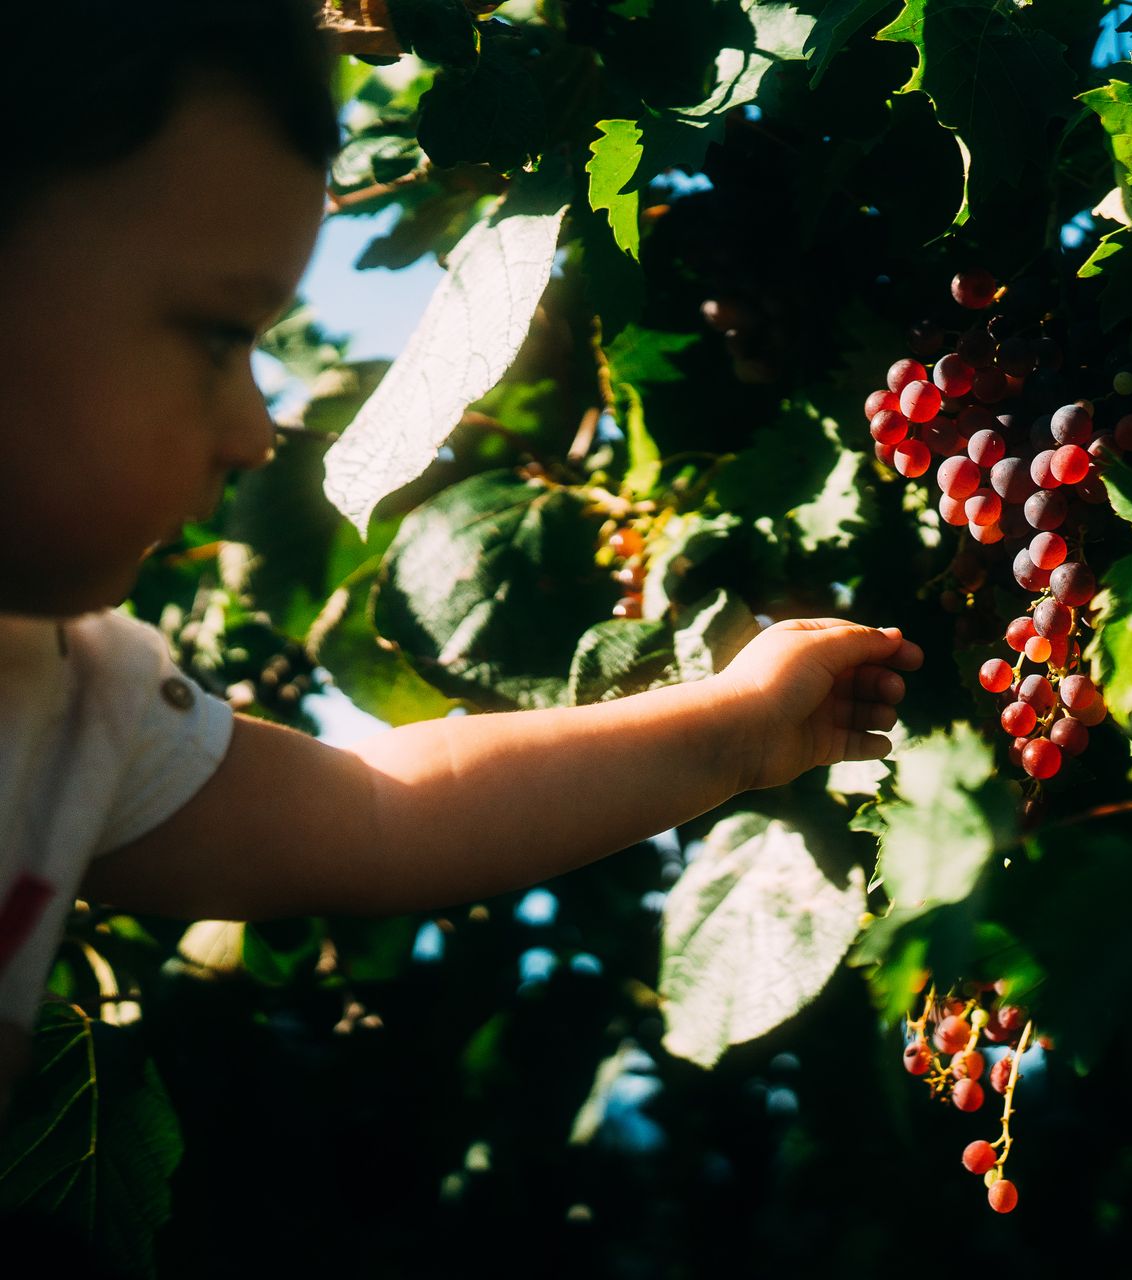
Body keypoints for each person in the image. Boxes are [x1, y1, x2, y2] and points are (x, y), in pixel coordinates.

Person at [0, 1, 921, 1123]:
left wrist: (732, 728)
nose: (256, 431)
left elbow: (383, 814)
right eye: (213, 333)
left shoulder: (74, 711)